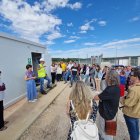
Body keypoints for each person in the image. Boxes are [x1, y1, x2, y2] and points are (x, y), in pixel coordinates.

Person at [94, 70, 120, 140]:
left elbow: (96, 97)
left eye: (106, 75)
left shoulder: (109, 90)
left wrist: (99, 96)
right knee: (109, 132)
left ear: (110, 78)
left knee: (106, 134)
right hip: (112, 113)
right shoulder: (117, 87)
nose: (105, 77)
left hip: (107, 115)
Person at [121, 68, 140, 140]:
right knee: (136, 130)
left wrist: (122, 98)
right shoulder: (135, 88)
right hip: (137, 113)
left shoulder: (134, 89)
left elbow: (128, 103)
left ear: (137, 77)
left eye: (132, 75)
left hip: (131, 113)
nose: (130, 76)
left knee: (133, 132)